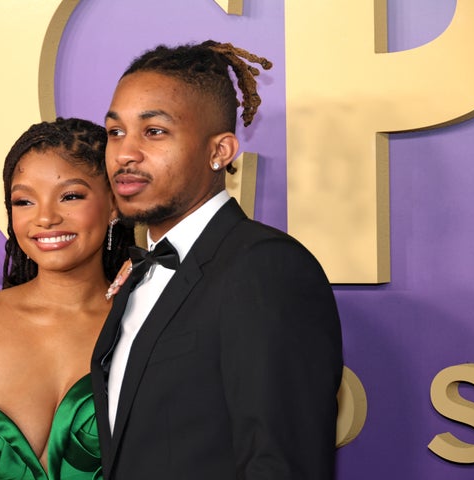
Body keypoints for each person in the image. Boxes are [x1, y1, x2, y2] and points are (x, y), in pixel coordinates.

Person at [90, 41, 344, 479]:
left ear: (220, 151)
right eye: (115, 132)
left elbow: (281, 465)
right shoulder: (139, 272)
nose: (124, 153)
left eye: (154, 132)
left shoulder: (265, 268)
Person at [0, 117, 134, 480]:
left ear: (114, 205)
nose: (46, 218)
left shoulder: (145, 323)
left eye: (70, 196)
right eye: (24, 201)